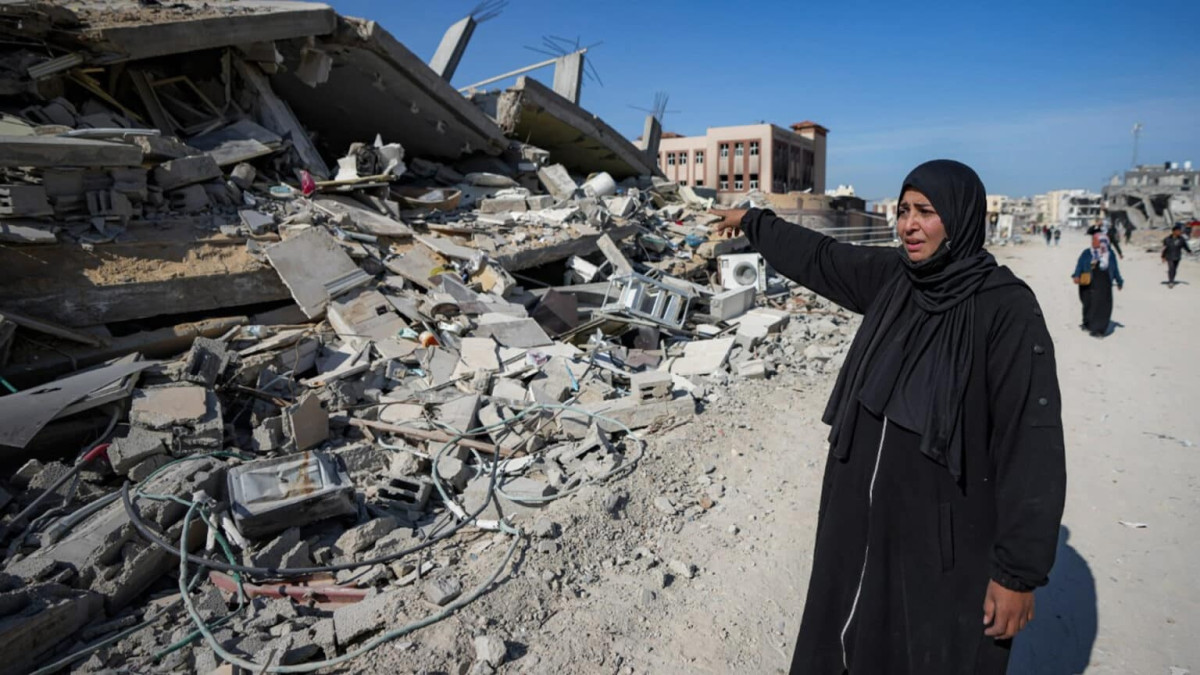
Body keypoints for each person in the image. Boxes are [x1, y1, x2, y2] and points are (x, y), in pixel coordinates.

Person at [712, 160, 1066, 674]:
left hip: (939, 535)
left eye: (926, 211)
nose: (909, 225)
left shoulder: (1005, 309)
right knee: (843, 636)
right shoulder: (895, 280)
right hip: (856, 514)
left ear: (961, 217)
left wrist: (1017, 575)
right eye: (903, 211)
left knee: (919, 650)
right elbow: (820, 257)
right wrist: (753, 221)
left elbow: (1031, 445)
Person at [1073, 232, 1124, 336]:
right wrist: (1076, 275)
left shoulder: (1110, 254)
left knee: (1102, 306)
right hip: (1088, 283)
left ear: (1102, 242)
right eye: (1092, 240)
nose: (1092, 242)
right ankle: (1087, 323)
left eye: (1095, 240)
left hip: (1104, 284)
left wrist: (1119, 281)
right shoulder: (1087, 252)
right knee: (1088, 304)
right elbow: (1080, 264)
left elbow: (1115, 269)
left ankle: (1099, 330)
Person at [1161, 223, 1192, 287]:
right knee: (1171, 268)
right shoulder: (1167, 239)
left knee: (1174, 269)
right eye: (1178, 231)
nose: (1180, 232)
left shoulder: (1181, 239)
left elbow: (1185, 246)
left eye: (1180, 231)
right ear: (1174, 231)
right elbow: (1164, 249)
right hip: (1169, 256)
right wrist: (1163, 256)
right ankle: (1171, 282)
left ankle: (1172, 279)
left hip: (1177, 256)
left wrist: (1189, 251)